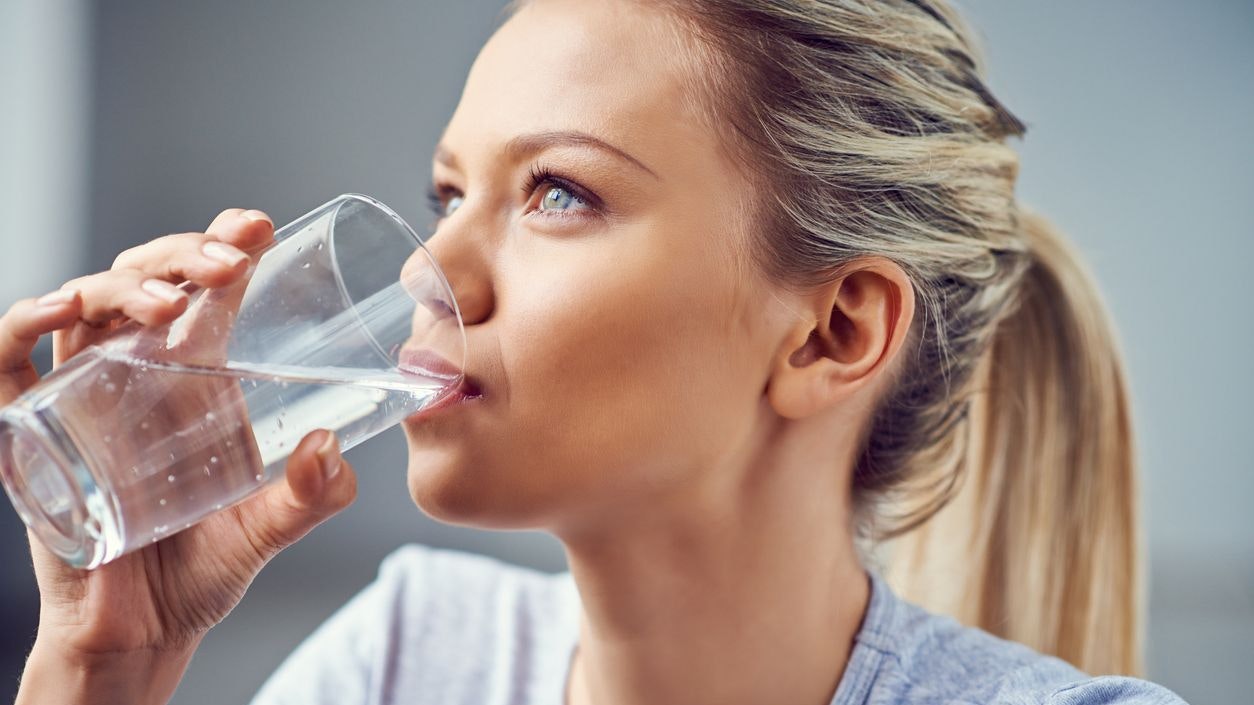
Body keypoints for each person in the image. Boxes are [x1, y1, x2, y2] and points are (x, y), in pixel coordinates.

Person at [5, 1, 1189, 703]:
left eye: (558, 192)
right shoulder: (410, 661)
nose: (428, 270)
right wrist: (99, 669)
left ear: (832, 333)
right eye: (449, 192)